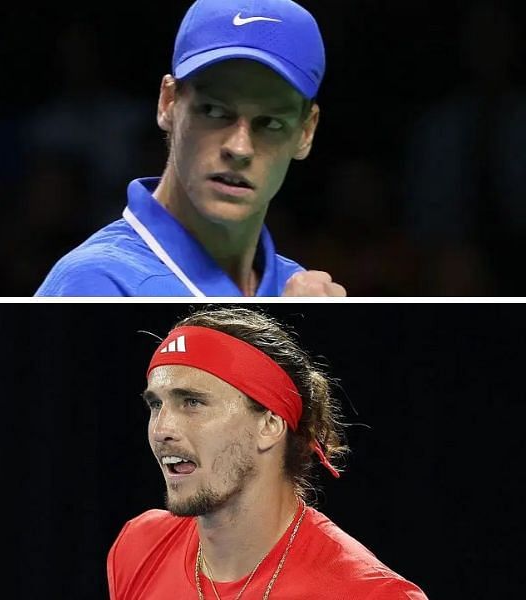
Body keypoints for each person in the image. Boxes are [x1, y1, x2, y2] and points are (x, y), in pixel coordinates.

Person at [108, 307, 425, 599]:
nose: (161, 429)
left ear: (270, 425)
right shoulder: (138, 545)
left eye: (192, 402)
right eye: (155, 404)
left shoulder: (373, 594)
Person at [36, 0, 344, 297]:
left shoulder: (301, 290)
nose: (239, 148)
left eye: (270, 123)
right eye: (213, 110)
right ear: (168, 102)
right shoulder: (94, 282)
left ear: (306, 131)